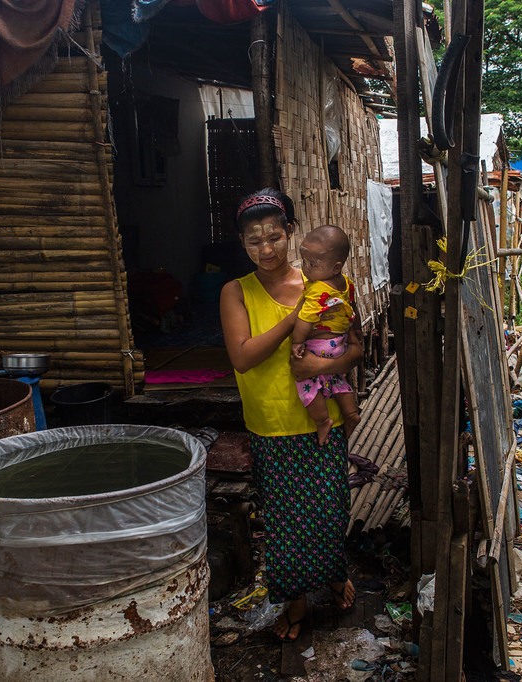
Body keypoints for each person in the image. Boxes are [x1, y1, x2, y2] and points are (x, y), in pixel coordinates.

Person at [220, 189, 359, 642]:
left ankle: (334, 576)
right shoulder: (235, 292)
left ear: (290, 234)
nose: (266, 249)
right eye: (254, 240)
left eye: (275, 237)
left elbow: (353, 346)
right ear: (242, 243)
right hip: (271, 424)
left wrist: (322, 366)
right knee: (283, 521)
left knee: (329, 510)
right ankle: (296, 601)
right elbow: (242, 358)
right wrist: (295, 318)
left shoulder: (325, 281)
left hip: (322, 423)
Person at [291, 225, 361, 445]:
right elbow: (353, 307)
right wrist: (356, 330)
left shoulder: (318, 290)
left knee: (306, 382)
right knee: (337, 379)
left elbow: (305, 318)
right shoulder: (346, 283)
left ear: (336, 266)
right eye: (304, 262)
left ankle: (322, 421)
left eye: (312, 264)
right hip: (339, 343)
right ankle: (351, 413)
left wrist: (297, 341)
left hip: (319, 346)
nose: (306, 269)